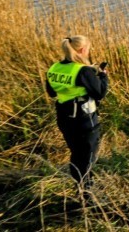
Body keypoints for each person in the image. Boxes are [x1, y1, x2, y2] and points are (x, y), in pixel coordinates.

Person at [45, 35, 108, 191]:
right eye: (88, 49)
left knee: (76, 154)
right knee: (87, 157)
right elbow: (100, 93)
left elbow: (52, 93)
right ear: (82, 50)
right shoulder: (83, 71)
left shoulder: (54, 68)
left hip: (64, 120)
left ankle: (80, 186)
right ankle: (87, 193)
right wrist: (103, 76)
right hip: (85, 122)